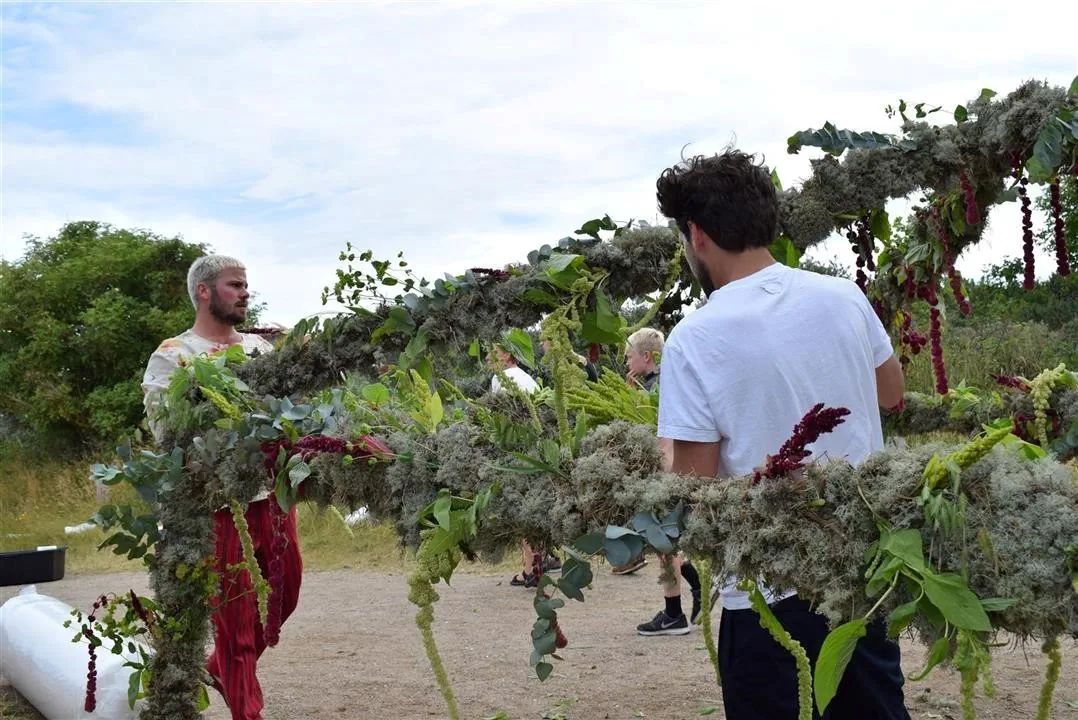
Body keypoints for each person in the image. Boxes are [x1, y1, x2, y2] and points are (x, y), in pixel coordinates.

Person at [651, 148, 909, 718]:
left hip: (768, 595)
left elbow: (695, 487)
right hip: (863, 580)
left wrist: (662, 457)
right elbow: (892, 393)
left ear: (697, 235)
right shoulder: (844, 297)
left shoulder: (694, 337)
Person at [141, 254, 303, 720]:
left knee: (285, 593)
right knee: (236, 621)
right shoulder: (174, 354)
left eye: (246, 285)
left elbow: (289, 406)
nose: (245, 293)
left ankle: (218, 666)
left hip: (272, 495)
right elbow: (166, 429)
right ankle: (246, 708)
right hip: (219, 504)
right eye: (235, 285)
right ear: (204, 291)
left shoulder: (259, 349)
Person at [619, 328, 703, 636]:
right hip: (672, 470)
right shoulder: (658, 383)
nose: (626, 362)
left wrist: (662, 479)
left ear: (646, 356)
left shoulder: (661, 387)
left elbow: (661, 435)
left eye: (629, 356)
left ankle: (673, 615)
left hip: (666, 472)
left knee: (664, 543)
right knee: (666, 543)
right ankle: (696, 589)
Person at [485, 339, 557, 586]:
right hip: (538, 451)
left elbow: (499, 419)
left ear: (507, 355)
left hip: (516, 451)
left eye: (493, 352)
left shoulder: (501, 379)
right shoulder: (528, 378)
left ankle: (531, 569)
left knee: (518, 508)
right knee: (532, 507)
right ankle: (535, 565)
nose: (488, 357)